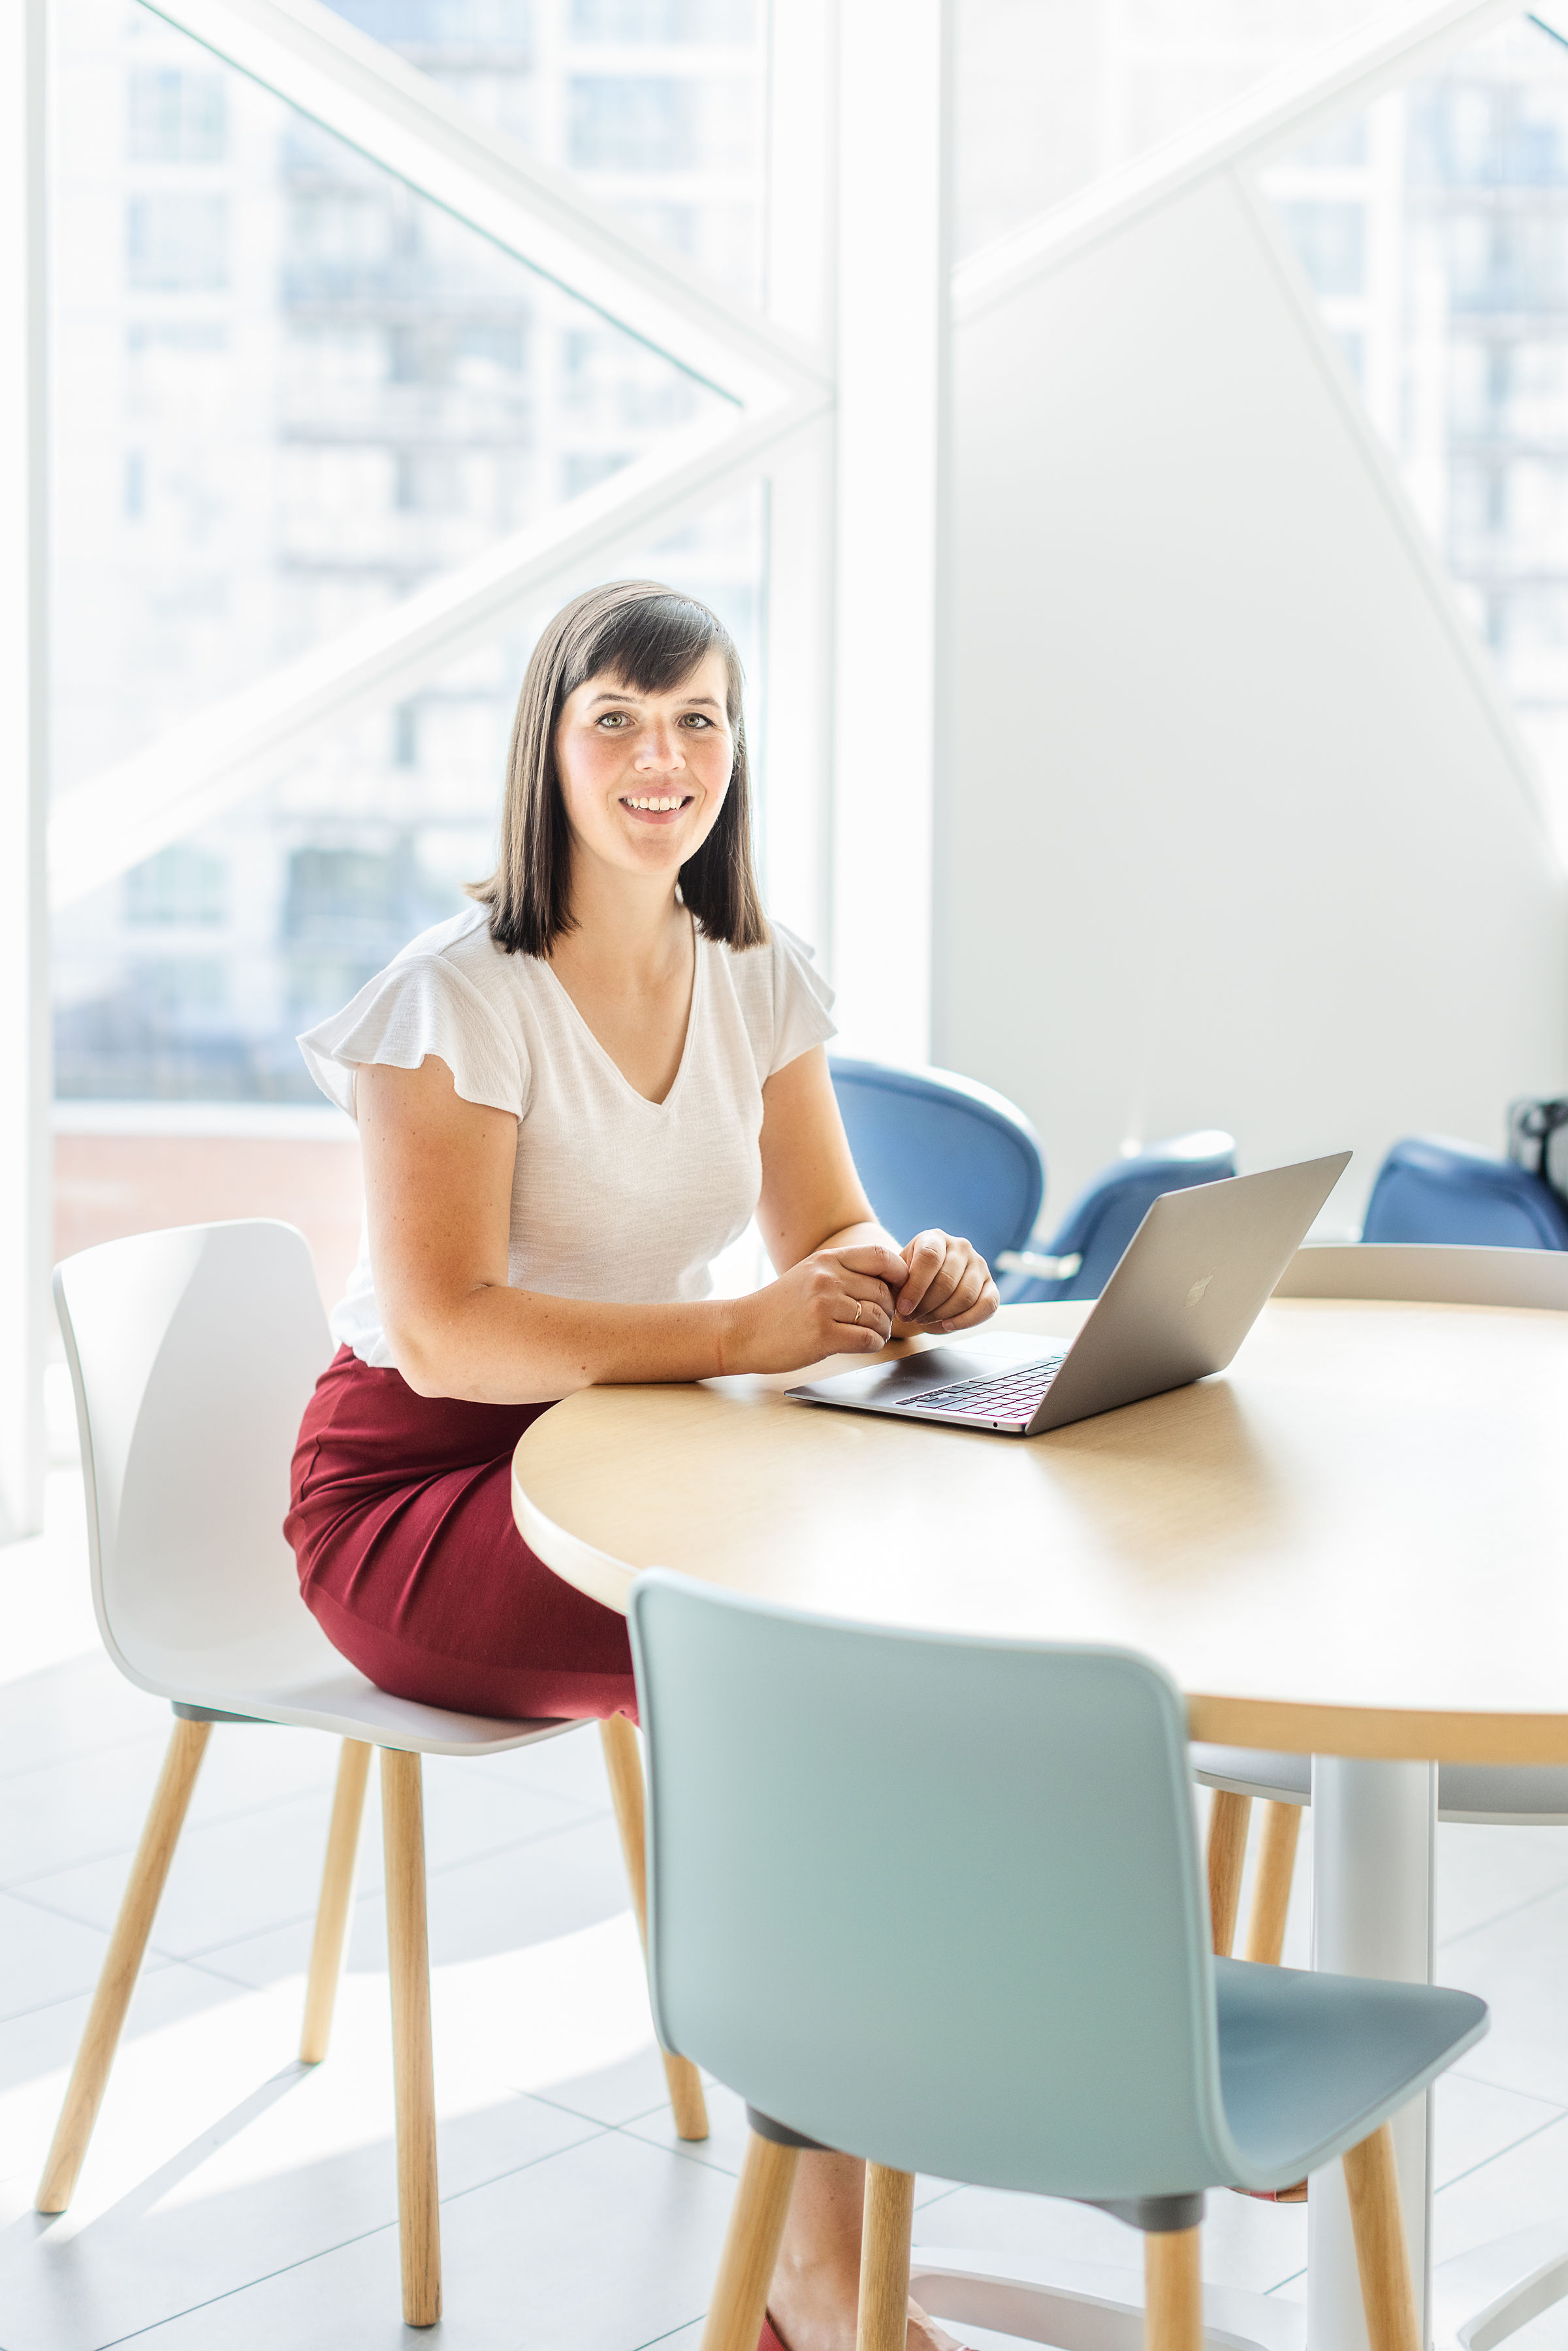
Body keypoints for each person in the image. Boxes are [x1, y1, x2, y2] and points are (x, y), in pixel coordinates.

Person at [286, 578, 999, 2351]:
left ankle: (955, 2162)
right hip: (420, 1500)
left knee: (888, 1606)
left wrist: (900, 1277)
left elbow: (820, 1224)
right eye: (616, 716)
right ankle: (826, 2283)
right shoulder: (449, 999)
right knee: (793, 1674)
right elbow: (448, 1337)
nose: (658, 756)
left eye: (695, 720)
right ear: (548, 743)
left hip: (631, 1447)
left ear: (735, 750)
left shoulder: (754, 969)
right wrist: (748, 1333)